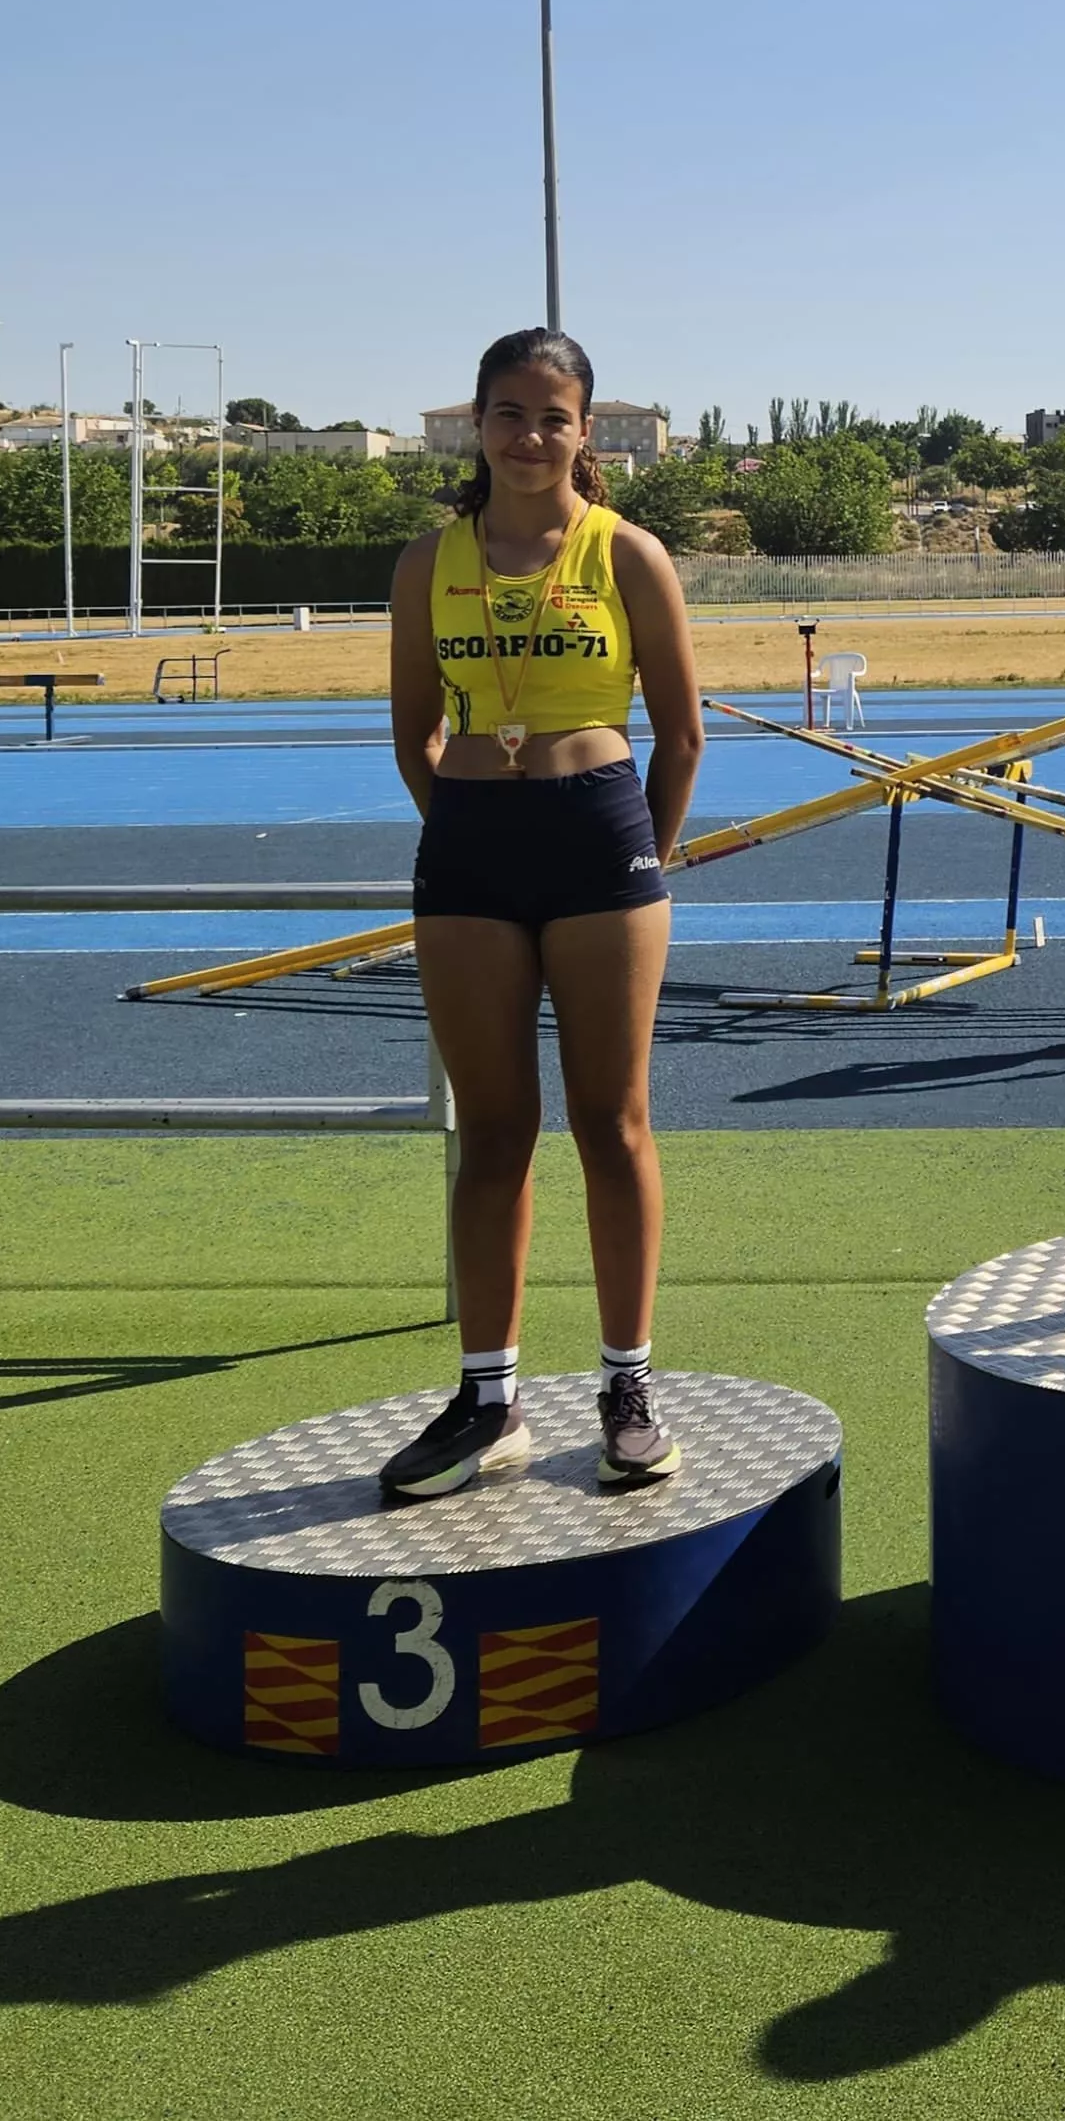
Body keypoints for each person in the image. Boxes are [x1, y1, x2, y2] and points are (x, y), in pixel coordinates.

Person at [380, 327, 705, 1497]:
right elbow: (415, 728)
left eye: (553, 416)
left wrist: (639, 855)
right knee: (494, 1131)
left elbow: (683, 731)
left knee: (610, 1123)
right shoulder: (429, 560)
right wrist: (467, 819)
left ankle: (626, 1381)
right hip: (469, 849)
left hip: (601, 838)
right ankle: (488, 1397)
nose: (531, 436)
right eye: (509, 414)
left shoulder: (628, 553)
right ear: (479, 423)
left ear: (586, 429)